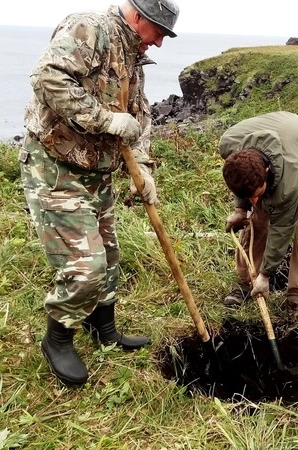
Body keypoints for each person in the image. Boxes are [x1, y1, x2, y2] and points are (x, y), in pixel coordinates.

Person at [20, 0, 180, 386]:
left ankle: (103, 329)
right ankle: (57, 338)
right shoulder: (88, 28)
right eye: (158, 31)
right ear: (138, 17)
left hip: (98, 173)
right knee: (84, 267)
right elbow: (48, 77)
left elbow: (136, 118)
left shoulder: (132, 56)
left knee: (108, 255)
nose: (158, 43)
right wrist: (105, 120)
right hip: (56, 169)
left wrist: (141, 167)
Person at [219, 111, 298, 320]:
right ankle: (246, 285)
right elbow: (242, 181)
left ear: (267, 172)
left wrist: (266, 274)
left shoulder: (288, 183)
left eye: (256, 195)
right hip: (282, 132)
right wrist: (240, 210)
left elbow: (282, 227)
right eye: (248, 197)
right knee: (257, 222)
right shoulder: (230, 145)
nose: (254, 201)